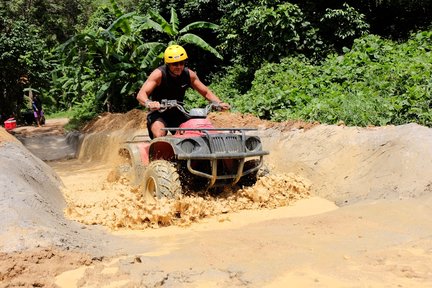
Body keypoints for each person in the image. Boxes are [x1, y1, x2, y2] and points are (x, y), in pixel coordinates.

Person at [136, 44, 230, 139]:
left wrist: (219, 103)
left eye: (181, 63)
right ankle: (157, 152)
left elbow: (205, 92)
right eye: (175, 64)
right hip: (158, 112)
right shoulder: (159, 74)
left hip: (178, 112)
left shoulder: (189, 74)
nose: (179, 67)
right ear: (168, 64)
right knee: (160, 133)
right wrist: (149, 103)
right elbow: (141, 95)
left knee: (194, 132)